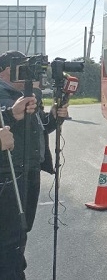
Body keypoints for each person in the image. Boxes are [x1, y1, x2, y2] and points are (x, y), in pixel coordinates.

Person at [0, 50, 70, 279]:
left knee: (21, 231)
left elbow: (39, 127)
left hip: (29, 170)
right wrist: (11, 113)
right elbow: (7, 117)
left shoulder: (29, 94)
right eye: (25, 67)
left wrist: (54, 116)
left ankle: (15, 267)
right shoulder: (4, 93)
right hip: (9, 173)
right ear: (9, 69)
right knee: (10, 235)